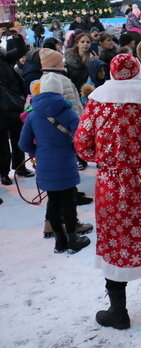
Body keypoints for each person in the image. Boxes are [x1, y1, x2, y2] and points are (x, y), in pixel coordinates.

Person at [74, 54, 141, 329]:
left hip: (112, 183)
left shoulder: (97, 102)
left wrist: (106, 158)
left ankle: (118, 312)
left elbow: (83, 143)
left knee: (116, 241)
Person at [18, 76, 90, 254]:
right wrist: (73, 149)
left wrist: (39, 150)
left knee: (53, 201)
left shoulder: (33, 115)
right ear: (59, 91)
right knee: (68, 201)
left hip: (44, 164)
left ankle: (60, 241)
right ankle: (73, 239)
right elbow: (80, 139)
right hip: (66, 163)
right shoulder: (69, 113)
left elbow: (23, 144)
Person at [0, 26, 30, 186]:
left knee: (19, 138)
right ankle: (3, 173)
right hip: (1, 108)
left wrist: (17, 36)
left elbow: (19, 52)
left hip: (14, 103)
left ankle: (20, 167)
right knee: (2, 143)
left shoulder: (3, 56)